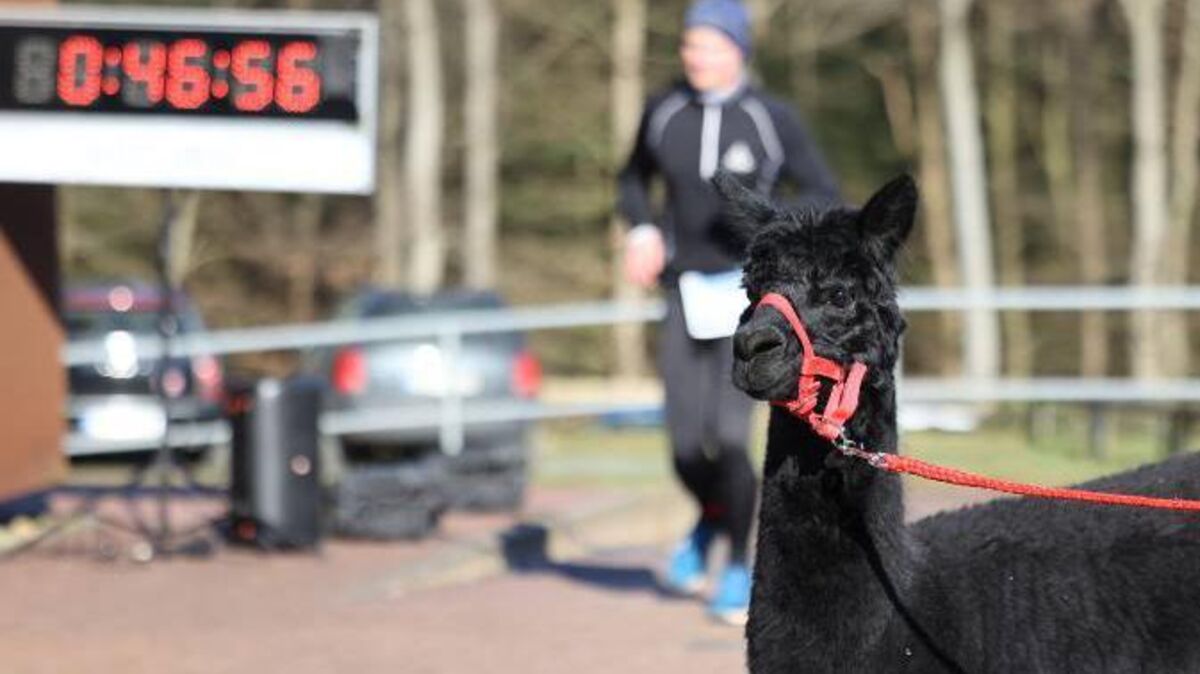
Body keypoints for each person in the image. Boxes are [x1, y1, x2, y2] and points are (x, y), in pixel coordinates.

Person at [616, 0, 839, 625]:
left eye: (710, 46)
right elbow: (631, 179)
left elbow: (824, 191)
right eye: (690, 46)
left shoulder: (770, 119)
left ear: (738, 50)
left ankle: (738, 569)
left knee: (735, 441)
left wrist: (771, 229)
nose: (697, 57)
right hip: (683, 295)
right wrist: (640, 229)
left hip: (750, 304)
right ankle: (713, 515)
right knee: (686, 446)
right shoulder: (664, 112)